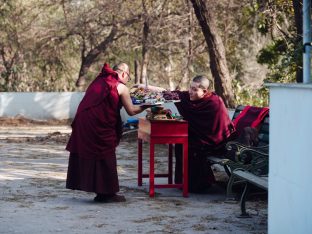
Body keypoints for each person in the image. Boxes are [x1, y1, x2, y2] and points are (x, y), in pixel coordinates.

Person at [66, 62, 148, 203]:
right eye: (128, 76)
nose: (127, 79)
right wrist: (148, 104)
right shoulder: (121, 87)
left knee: (96, 155)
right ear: (123, 74)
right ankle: (107, 194)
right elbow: (132, 111)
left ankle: (101, 192)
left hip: (83, 121)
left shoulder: (99, 80)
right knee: (105, 154)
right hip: (98, 124)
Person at [173, 75, 236, 193]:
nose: (190, 92)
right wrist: (147, 87)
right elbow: (172, 94)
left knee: (190, 146)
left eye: (195, 90)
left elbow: (217, 131)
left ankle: (198, 184)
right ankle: (184, 182)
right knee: (180, 142)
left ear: (205, 91)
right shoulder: (192, 98)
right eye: (190, 88)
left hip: (217, 143)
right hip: (203, 138)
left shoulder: (214, 102)